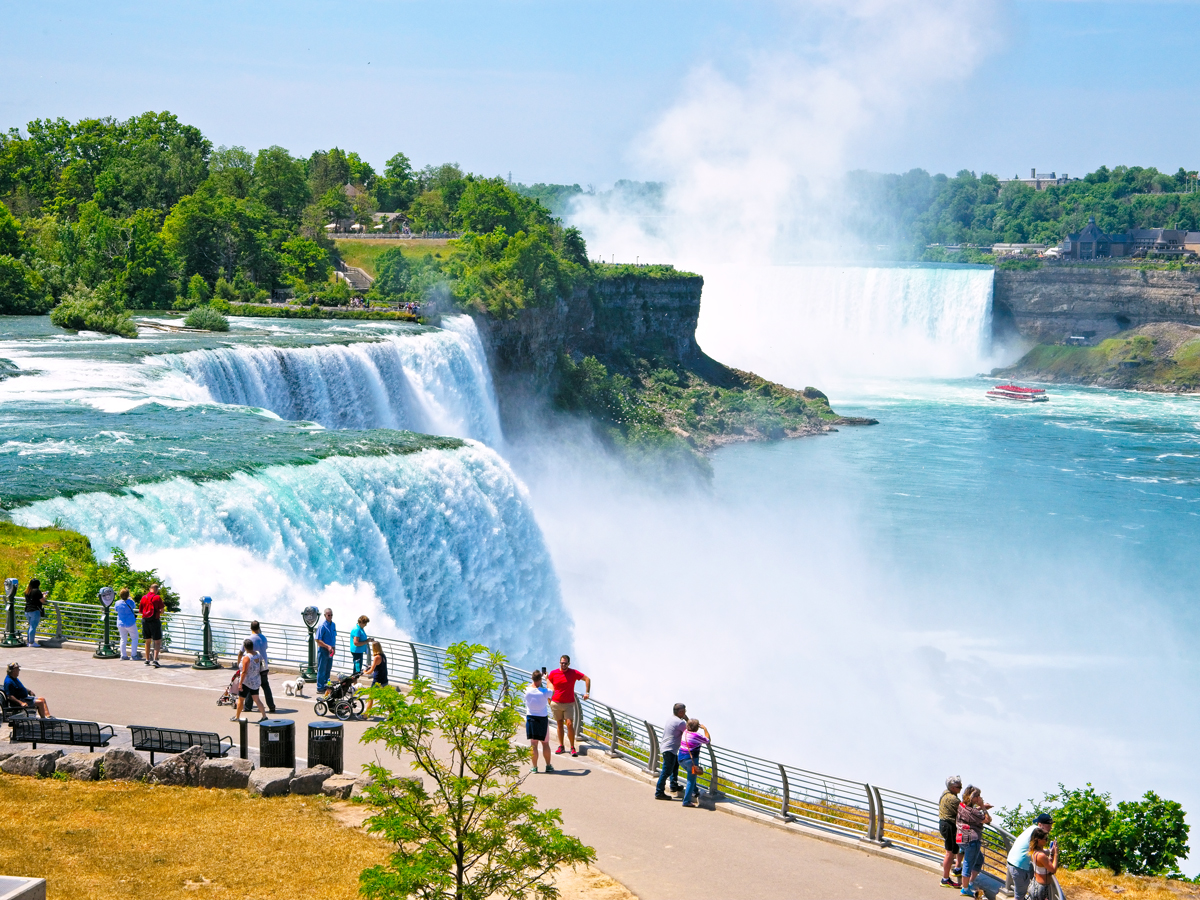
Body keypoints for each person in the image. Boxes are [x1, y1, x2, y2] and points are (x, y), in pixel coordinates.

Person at [546, 654, 590, 757]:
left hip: (569, 703)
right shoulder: (553, 673)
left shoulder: (573, 673)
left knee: (569, 724)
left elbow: (587, 679)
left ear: (568, 664)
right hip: (556, 703)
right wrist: (549, 700)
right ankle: (561, 746)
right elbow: (548, 685)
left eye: (565, 663)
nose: (563, 665)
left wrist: (587, 692)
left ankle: (572, 747)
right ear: (559, 663)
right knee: (559, 724)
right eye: (562, 663)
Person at [1006, 813, 1054, 900]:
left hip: (1015, 862)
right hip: (1019, 866)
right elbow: (1039, 853)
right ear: (1040, 825)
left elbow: (1036, 851)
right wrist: (1053, 852)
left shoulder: (1032, 829)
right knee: (1020, 894)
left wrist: (1050, 851)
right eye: (1048, 825)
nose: (1050, 828)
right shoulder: (1036, 832)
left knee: (1021, 893)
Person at [956, 785, 992, 898]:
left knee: (979, 859)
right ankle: (965, 888)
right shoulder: (974, 812)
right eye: (978, 796)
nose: (980, 798)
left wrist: (980, 807)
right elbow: (988, 820)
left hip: (960, 837)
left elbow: (970, 813)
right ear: (973, 797)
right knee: (968, 863)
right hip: (972, 839)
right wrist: (982, 807)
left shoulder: (961, 806)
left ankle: (969, 883)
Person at [655, 702, 687, 800]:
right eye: (684, 711)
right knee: (666, 771)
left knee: (675, 765)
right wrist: (687, 719)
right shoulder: (680, 722)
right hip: (670, 749)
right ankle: (659, 792)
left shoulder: (671, 718)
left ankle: (674, 786)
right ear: (681, 712)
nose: (685, 713)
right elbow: (690, 731)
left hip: (667, 747)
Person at [231, 638, 268, 722]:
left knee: (241, 700)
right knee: (256, 699)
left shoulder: (246, 658)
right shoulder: (257, 654)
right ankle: (264, 716)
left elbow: (244, 672)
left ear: (245, 647)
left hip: (246, 682)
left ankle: (237, 717)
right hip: (256, 680)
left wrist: (240, 684)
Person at [524, 670, 553, 774]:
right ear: (540, 679)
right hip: (542, 719)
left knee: (533, 744)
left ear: (532, 679)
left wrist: (534, 682)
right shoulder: (545, 692)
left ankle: (534, 767)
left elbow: (530, 686)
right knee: (545, 744)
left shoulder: (526, 690)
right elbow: (552, 689)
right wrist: (547, 678)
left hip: (531, 719)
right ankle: (548, 766)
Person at [678, 718, 711, 808]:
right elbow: (707, 740)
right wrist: (705, 729)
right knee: (690, 780)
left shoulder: (685, 732)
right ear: (697, 728)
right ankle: (687, 801)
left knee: (691, 777)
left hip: (681, 759)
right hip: (691, 760)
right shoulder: (696, 735)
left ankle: (694, 790)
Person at [939, 776, 965, 888]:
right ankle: (945, 879)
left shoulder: (945, 793)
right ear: (952, 787)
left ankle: (956, 869)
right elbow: (965, 812)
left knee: (955, 849)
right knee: (949, 854)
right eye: (958, 787)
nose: (961, 788)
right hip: (949, 826)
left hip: (946, 825)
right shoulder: (953, 799)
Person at [248, 621, 275, 713]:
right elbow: (265, 648)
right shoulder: (263, 638)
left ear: (251, 628)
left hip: (253, 665)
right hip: (263, 665)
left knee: (250, 685)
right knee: (265, 686)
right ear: (259, 628)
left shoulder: (249, 639)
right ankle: (271, 706)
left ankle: (248, 706)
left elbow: (243, 651)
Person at [1027, 827, 1059, 900]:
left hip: (1036, 884)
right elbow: (1053, 870)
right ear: (1039, 840)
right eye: (1045, 839)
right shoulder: (1041, 856)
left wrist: (1052, 852)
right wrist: (1056, 854)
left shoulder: (1034, 851)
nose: (1046, 841)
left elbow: (1046, 856)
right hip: (1042, 887)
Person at [140, 583, 164, 668]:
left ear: (150, 589)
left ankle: (147, 660)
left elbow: (141, 610)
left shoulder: (144, 597)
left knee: (147, 641)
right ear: (156, 590)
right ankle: (155, 660)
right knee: (157, 641)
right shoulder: (157, 598)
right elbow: (162, 611)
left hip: (145, 621)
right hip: (155, 621)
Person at [362, 641, 388, 717]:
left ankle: (365, 715)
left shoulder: (376, 657)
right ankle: (392, 715)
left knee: (371, 698)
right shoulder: (383, 656)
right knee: (387, 698)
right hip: (384, 679)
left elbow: (371, 671)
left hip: (377, 681)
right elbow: (380, 666)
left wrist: (365, 672)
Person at [315, 607, 336, 693]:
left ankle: (326, 686)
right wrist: (327, 646)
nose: (330, 616)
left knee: (328, 669)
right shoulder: (322, 626)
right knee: (322, 669)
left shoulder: (333, 624)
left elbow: (333, 637)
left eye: (331, 615)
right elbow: (317, 640)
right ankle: (320, 687)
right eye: (328, 615)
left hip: (331, 650)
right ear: (325, 615)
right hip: (323, 650)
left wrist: (333, 648)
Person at [115, 588, 140, 660]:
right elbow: (134, 606)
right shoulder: (130, 602)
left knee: (123, 639)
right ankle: (133, 655)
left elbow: (116, 609)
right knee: (134, 638)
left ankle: (123, 655)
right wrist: (131, 599)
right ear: (128, 595)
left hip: (121, 623)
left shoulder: (117, 603)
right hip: (130, 622)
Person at [23, 578, 44, 647]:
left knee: (31, 626)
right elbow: (43, 601)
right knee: (33, 627)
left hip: (27, 611)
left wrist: (41, 594)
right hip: (35, 611)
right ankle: (31, 643)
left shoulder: (27, 591)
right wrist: (44, 596)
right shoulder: (37, 591)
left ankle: (29, 641)